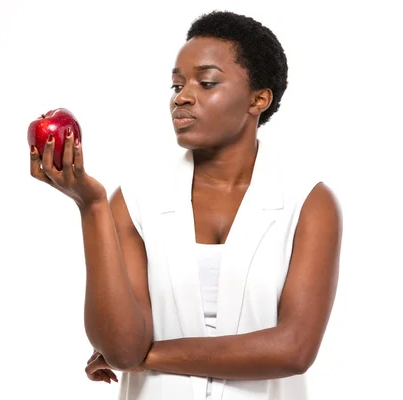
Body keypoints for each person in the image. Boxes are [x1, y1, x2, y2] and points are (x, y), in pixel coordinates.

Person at [30, 10, 342, 400]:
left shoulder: (308, 202)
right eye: (176, 85)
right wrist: (91, 207)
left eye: (206, 82)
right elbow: (122, 348)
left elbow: (293, 349)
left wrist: (150, 357)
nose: (182, 97)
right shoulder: (135, 201)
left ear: (258, 99)